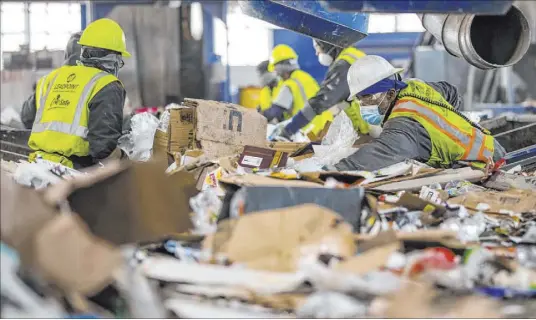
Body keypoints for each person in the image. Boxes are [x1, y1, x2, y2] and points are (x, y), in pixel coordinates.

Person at [329, 55, 506, 172]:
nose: (361, 105)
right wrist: (445, 126)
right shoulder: (415, 87)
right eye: (359, 99)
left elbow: (376, 155)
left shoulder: (403, 124)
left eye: (366, 98)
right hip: (490, 146)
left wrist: (327, 172)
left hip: (486, 164)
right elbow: (451, 92)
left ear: (390, 94)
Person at [21, 18, 130, 169]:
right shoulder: (106, 84)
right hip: (72, 172)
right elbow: (103, 148)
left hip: (36, 165)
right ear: (112, 59)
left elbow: (27, 118)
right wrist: (126, 159)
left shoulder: (51, 79)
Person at [272, 40, 371, 140]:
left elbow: (320, 101)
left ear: (326, 45)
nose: (316, 53)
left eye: (317, 47)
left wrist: (289, 129)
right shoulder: (353, 56)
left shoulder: (344, 64)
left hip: (374, 129)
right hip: (372, 126)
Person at [262, 44, 333, 137]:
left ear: (280, 67)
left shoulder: (290, 84)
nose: (276, 74)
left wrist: (257, 117)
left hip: (308, 132)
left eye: (275, 69)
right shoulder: (305, 77)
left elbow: (275, 111)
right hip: (325, 128)